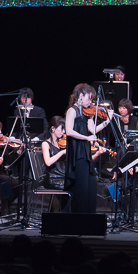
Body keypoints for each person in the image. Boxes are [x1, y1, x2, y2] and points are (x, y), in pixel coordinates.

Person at [64, 83, 112, 213]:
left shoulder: (87, 113)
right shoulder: (72, 110)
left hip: (85, 152)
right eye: (89, 98)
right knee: (81, 187)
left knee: (91, 184)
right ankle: (79, 215)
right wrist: (86, 138)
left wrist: (107, 121)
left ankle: (89, 215)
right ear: (81, 95)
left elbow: (93, 129)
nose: (91, 102)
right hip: (77, 151)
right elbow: (69, 131)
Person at [0, 119, 21, 216]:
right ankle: (5, 208)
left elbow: (9, 160)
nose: (0, 133)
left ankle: (5, 207)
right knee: (6, 180)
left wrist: (18, 151)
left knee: (18, 184)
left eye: (1, 130)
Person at [41, 116, 67, 211]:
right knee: (73, 186)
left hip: (63, 176)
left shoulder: (63, 143)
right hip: (53, 178)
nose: (63, 132)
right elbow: (48, 162)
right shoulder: (45, 144)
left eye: (64, 130)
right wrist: (62, 152)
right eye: (61, 129)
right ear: (53, 128)